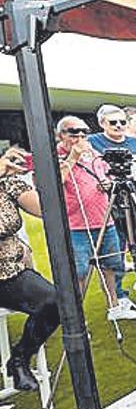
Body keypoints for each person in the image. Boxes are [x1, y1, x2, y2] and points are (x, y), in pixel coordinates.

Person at [57, 116, 136, 321]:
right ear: (61, 135)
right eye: (73, 132)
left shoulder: (94, 154)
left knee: (111, 265)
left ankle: (114, 307)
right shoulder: (54, 157)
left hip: (104, 220)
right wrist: (72, 158)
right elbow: (53, 183)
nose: (79, 136)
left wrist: (107, 184)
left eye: (83, 132)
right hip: (76, 225)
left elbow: (107, 176)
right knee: (79, 272)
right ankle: (76, 318)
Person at [0, 147, 61, 391]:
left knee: (55, 301)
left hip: (10, 268)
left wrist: (39, 174)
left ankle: (20, 358)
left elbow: (44, 208)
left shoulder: (7, 183)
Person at [87, 104, 136, 305]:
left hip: (135, 197)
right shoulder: (92, 142)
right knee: (115, 248)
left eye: (122, 122)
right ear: (102, 124)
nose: (118, 126)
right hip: (109, 203)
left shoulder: (135, 143)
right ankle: (118, 295)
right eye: (113, 122)